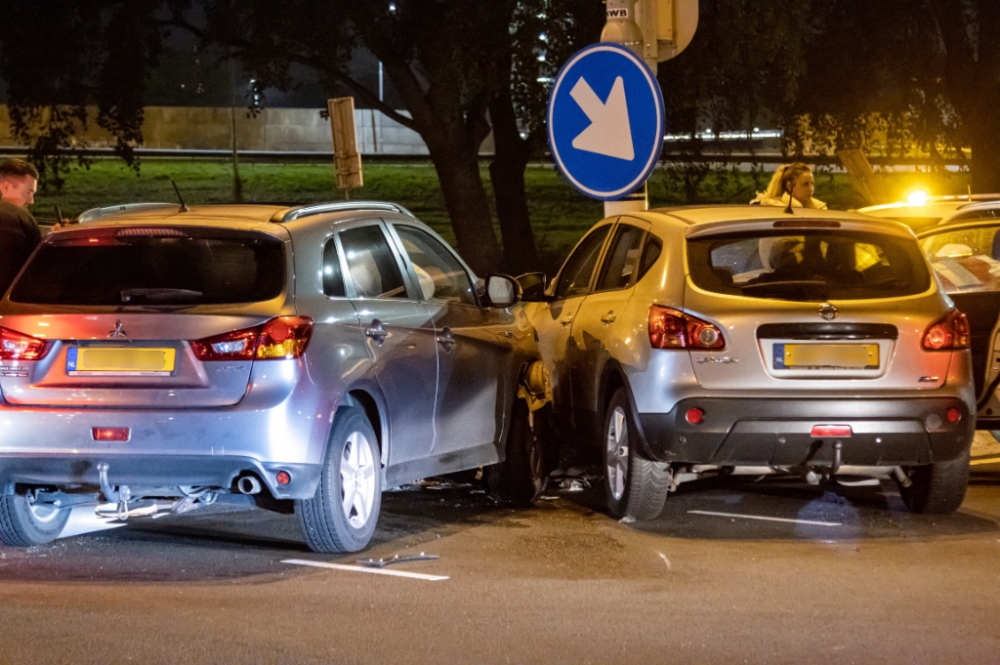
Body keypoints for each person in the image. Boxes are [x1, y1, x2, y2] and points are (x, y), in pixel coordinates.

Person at [0, 158, 41, 294]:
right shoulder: (20, 217)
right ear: (5, 186)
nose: (31, 200)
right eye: (28, 193)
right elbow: (36, 263)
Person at [750, 162, 827, 209]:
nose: (811, 189)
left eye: (812, 183)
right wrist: (796, 207)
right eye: (805, 184)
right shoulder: (771, 206)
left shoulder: (819, 208)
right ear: (790, 187)